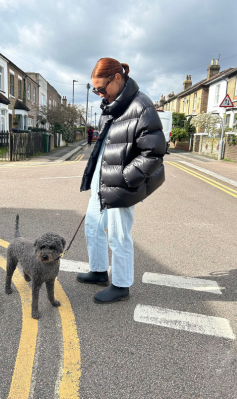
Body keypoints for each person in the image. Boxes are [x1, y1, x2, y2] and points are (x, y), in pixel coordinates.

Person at [77, 58, 166, 303]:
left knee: (118, 234)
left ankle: (121, 284)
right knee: (93, 225)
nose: (99, 94)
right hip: (103, 177)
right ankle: (98, 271)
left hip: (122, 182)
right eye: (95, 90)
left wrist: (127, 179)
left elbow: (155, 152)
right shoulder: (110, 105)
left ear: (117, 78)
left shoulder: (142, 106)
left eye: (102, 88)